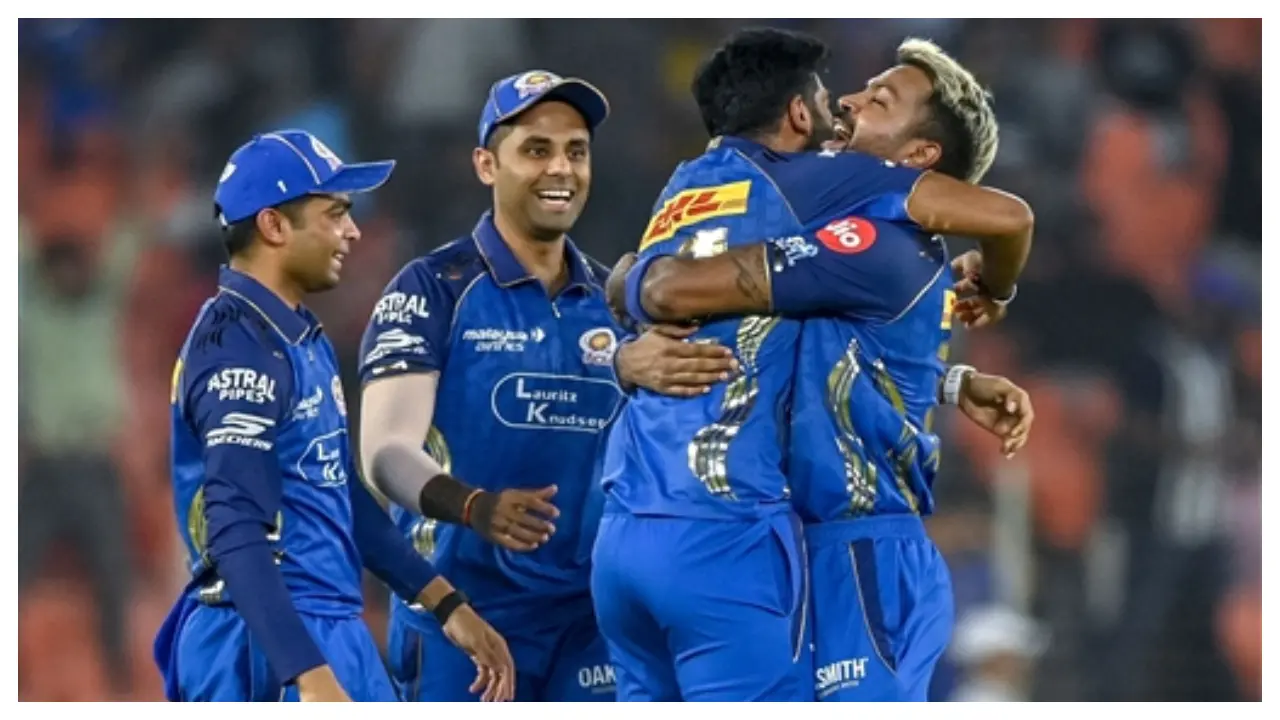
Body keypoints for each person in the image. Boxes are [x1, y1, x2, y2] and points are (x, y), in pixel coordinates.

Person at [596, 28, 1034, 702]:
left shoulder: (876, 242)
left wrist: (631, 282)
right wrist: (953, 380)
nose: (849, 102)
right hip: (802, 538)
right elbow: (820, 346)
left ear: (918, 159)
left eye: (879, 101)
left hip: (863, 549)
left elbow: (674, 288)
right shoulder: (821, 227)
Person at [356, 71, 735, 702]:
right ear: (486, 165)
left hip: (589, 623)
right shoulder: (433, 289)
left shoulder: (620, 303)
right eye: (536, 150)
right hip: (461, 615)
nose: (561, 168)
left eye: (576, 152)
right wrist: (475, 506)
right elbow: (384, 453)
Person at [152, 129, 515, 702]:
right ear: (274, 226)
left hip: (325, 628)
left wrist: (444, 601)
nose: (353, 231)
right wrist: (308, 674)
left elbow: (338, 489)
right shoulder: (237, 349)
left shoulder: (295, 335)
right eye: (336, 213)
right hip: (264, 643)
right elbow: (235, 529)